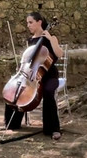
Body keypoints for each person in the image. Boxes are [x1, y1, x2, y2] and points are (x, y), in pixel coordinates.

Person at [4, 12, 63, 140]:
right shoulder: (31, 41)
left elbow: (59, 54)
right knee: (15, 90)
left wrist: (49, 39)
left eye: (30, 22)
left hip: (49, 76)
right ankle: (12, 123)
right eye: (27, 23)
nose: (28, 25)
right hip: (31, 76)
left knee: (48, 92)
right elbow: (28, 60)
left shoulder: (51, 38)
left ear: (39, 22)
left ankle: (53, 129)